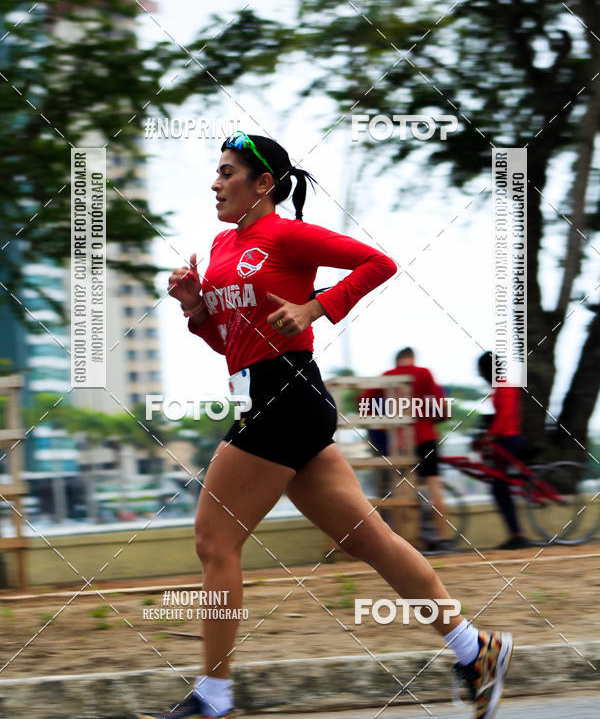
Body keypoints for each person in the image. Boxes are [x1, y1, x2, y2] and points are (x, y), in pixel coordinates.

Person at [131, 132, 514, 719]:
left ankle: (214, 699)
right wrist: (194, 306)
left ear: (264, 184)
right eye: (215, 172)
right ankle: (474, 649)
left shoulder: (286, 235)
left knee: (214, 541)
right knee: (367, 539)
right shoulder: (218, 246)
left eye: (227, 172)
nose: (214, 183)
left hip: (284, 396)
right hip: (264, 396)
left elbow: (378, 262)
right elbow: (228, 345)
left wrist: (315, 308)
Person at [360, 347, 453, 551]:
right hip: (425, 437)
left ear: (397, 361)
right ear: (413, 358)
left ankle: (403, 544)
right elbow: (440, 406)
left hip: (400, 441)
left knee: (401, 490)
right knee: (434, 485)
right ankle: (443, 539)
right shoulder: (424, 373)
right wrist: (435, 418)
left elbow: (363, 402)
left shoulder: (387, 376)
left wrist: (384, 424)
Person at [476, 351, 532, 549]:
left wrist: (490, 436)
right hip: (504, 440)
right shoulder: (500, 386)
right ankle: (516, 532)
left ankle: (517, 534)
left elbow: (505, 417)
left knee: (500, 487)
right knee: (499, 486)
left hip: (509, 441)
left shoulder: (504, 387)